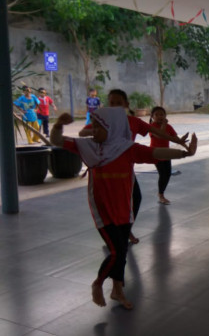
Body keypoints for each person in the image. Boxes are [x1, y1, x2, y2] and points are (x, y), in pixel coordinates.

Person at [50, 107, 197, 310]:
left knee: (121, 252)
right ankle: (98, 283)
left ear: (113, 128)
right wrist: (58, 125)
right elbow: (57, 141)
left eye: (98, 127)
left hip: (124, 209)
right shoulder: (88, 146)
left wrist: (184, 153)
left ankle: (117, 290)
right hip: (103, 210)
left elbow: (155, 152)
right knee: (116, 251)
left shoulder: (127, 149)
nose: (94, 130)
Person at [79, 89, 188, 244]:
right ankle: (113, 235)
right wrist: (97, 134)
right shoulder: (104, 120)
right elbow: (83, 132)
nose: (115, 106)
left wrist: (179, 142)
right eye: (112, 103)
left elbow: (156, 132)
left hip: (125, 169)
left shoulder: (133, 122)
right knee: (108, 202)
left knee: (135, 198)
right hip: (105, 170)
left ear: (126, 104)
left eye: (119, 103)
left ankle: (125, 230)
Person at [149, 106, 178, 205]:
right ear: (152, 116)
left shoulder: (169, 127)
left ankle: (161, 193)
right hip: (156, 153)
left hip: (166, 153)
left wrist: (187, 147)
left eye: (161, 114)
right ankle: (161, 195)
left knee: (168, 174)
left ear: (165, 115)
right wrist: (164, 124)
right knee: (163, 174)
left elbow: (175, 138)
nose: (159, 116)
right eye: (156, 115)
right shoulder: (152, 127)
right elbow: (160, 135)